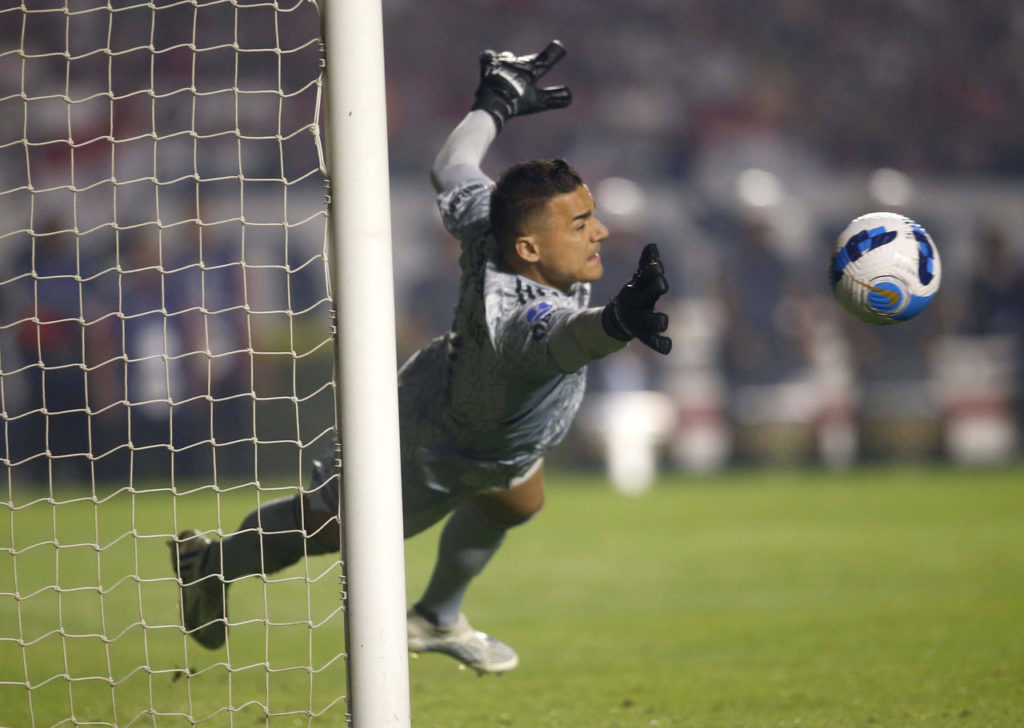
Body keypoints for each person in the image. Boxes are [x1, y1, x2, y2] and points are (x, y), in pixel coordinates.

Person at [170, 41, 672, 674]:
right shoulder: (513, 316)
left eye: (592, 216)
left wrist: (493, 103)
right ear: (529, 248)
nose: (598, 232)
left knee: (518, 499)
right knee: (335, 530)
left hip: (474, 402)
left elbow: (453, 165)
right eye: (580, 224)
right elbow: (567, 334)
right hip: (446, 436)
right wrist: (618, 321)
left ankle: (436, 617)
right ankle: (210, 563)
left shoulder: (492, 221)